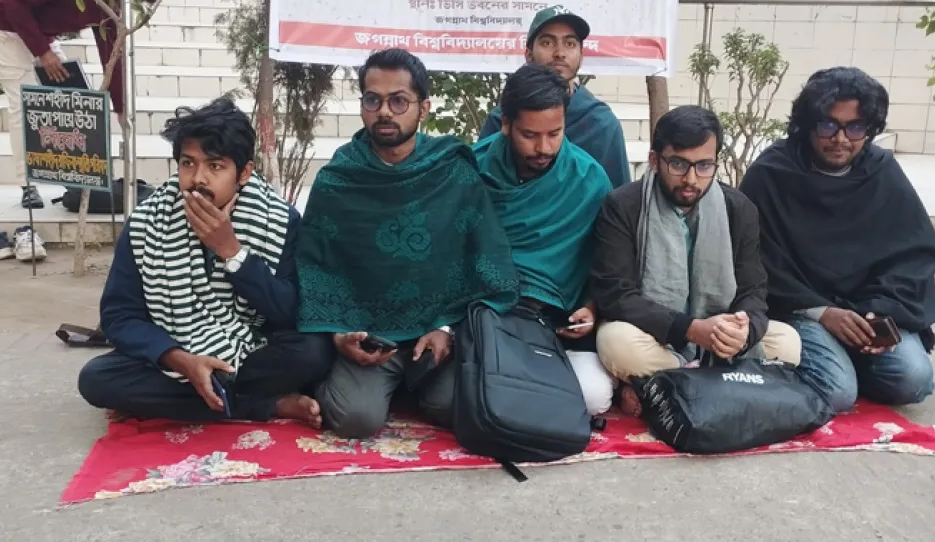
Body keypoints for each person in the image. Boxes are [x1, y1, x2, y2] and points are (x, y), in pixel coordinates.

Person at [297, 49, 519, 438]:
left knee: (457, 406)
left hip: (435, 334)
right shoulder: (338, 181)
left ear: (423, 107)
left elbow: (484, 257)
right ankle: (361, 388)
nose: (385, 111)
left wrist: (447, 329)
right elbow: (316, 268)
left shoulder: (453, 171)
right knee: (356, 421)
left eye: (399, 100)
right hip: (365, 338)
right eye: (373, 99)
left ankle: (413, 388)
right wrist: (338, 335)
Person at [77, 98, 333, 427]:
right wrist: (179, 359)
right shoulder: (147, 223)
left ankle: (216, 397)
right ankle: (262, 405)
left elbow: (288, 313)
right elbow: (119, 316)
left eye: (215, 166)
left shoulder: (279, 221)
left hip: (251, 351)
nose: (198, 178)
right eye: (188, 163)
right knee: (96, 379)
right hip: (175, 356)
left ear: (243, 172)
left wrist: (232, 251)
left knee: (314, 353)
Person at [740, 67, 935, 413]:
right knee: (836, 393)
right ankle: (834, 363)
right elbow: (755, 259)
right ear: (807, 124)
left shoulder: (882, 171)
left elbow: (914, 253)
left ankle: (850, 358)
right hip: (803, 308)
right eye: (828, 125)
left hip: (869, 309)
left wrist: (878, 314)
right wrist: (823, 313)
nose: (841, 139)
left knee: (913, 379)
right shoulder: (772, 173)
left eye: (856, 127)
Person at [590, 106, 803, 415]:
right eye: (678, 164)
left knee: (787, 343)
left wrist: (744, 330)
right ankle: (721, 384)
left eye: (704, 166)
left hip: (719, 340)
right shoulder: (623, 206)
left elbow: (753, 289)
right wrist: (689, 329)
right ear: (655, 160)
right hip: (657, 336)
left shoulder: (738, 208)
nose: (691, 178)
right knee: (616, 343)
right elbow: (616, 295)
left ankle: (664, 387)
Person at [475, 63, 617, 415]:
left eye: (555, 133)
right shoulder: (472, 170)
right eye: (530, 135)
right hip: (485, 316)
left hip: (558, 324)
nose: (544, 146)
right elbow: (450, 254)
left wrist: (592, 308)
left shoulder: (589, 179)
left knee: (594, 397)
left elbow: (609, 262)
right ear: (505, 124)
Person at [0, 0, 158, 209]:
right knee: (24, 104)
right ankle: (27, 185)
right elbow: (13, 2)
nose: (120, 7)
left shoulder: (108, 3)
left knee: (72, 100)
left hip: (39, 32)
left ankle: (74, 178)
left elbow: (112, 54)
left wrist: (120, 106)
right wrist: (43, 52)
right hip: (4, 27)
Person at [478, 5, 630, 189]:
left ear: (582, 57)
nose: (559, 53)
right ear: (528, 54)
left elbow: (616, 203)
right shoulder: (501, 119)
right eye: (547, 43)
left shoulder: (601, 124)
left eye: (570, 44)